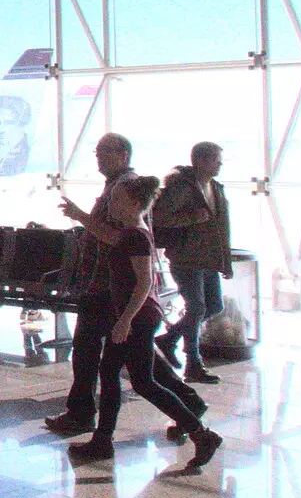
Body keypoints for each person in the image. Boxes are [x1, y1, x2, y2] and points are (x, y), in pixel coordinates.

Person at [44, 133, 203, 436]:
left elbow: (115, 236)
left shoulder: (125, 189)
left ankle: (84, 416)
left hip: (110, 286)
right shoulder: (118, 187)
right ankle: (188, 407)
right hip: (107, 284)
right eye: (97, 151)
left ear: (125, 154)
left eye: (106, 152)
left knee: (93, 353)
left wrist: (80, 216)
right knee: (133, 362)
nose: (99, 157)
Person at [68, 175, 223, 468]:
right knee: (111, 374)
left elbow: (144, 282)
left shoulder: (136, 235)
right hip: (131, 315)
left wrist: (124, 320)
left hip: (138, 317)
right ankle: (102, 441)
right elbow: (107, 236)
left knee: (143, 382)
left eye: (116, 200)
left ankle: (201, 434)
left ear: (135, 204)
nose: (111, 204)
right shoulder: (128, 232)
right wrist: (78, 215)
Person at [154, 142, 233, 385]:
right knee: (197, 307)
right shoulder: (181, 187)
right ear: (200, 160)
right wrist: (191, 218)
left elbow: (222, 227)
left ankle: (169, 339)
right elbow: (160, 217)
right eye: (215, 159)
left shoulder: (215, 187)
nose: (219, 164)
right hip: (186, 257)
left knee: (214, 306)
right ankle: (193, 363)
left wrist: (224, 260)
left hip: (207, 257)